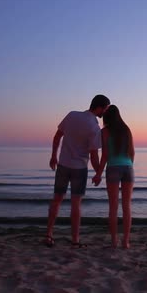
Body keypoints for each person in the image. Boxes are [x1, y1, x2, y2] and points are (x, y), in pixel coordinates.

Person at [45, 94, 110, 248]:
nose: (106, 112)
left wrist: (53, 156)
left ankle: (49, 234)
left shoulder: (72, 115)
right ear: (100, 107)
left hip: (63, 164)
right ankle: (75, 240)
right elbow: (94, 155)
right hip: (79, 168)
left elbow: (57, 136)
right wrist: (99, 173)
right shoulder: (94, 128)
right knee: (76, 204)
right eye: (106, 109)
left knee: (56, 200)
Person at [93, 105, 135, 249]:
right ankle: (126, 241)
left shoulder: (104, 131)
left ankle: (114, 241)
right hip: (128, 168)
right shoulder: (127, 130)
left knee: (113, 207)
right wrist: (129, 165)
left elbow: (104, 156)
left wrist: (98, 174)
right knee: (127, 206)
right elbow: (132, 152)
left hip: (113, 169)